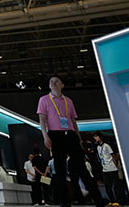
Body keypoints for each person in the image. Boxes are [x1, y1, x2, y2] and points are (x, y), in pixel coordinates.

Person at [38, 76, 108, 207]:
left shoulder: (68, 101)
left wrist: (79, 137)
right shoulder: (44, 100)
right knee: (60, 170)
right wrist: (45, 136)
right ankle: (64, 201)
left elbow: (73, 120)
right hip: (55, 136)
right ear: (49, 86)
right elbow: (42, 119)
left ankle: (98, 198)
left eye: (56, 81)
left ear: (62, 85)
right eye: (51, 81)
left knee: (82, 168)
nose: (53, 82)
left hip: (70, 135)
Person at [93, 133, 121, 205]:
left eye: (96, 136)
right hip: (104, 169)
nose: (95, 138)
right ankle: (112, 200)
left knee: (116, 185)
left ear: (101, 137)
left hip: (112, 168)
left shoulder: (106, 146)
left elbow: (113, 156)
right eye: (94, 137)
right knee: (107, 186)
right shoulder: (98, 147)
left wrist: (115, 166)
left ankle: (118, 201)